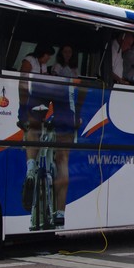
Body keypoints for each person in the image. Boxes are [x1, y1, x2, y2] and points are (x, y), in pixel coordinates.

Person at [49, 43, 85, 226]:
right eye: (65, 51)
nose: (68, 54)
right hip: (69, 118)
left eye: (70, 51)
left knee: (60, 162)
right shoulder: (63, 69)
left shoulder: (64, 70)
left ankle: (57, 210)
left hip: (61, 118)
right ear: (61, 52)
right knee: (62, 162)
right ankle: (60, 212)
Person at [18, 45, 55, 217]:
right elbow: (23, 82)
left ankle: (32, 169)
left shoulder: (42, 65)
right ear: (42, 53)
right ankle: (31, 169)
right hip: (32, 99)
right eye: (48, 55)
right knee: (33, 128)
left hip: (41, 100)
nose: (48, 59)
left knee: (38, 128)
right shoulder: (29, 61)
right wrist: (23, 106)